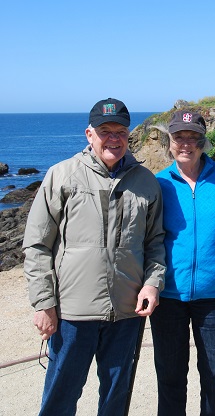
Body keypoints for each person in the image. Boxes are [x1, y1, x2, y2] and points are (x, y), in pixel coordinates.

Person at [23, 98, 166, 416]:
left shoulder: (146, 182)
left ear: (129, 136)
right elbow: (36, 246)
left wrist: (153, 284)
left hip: (127, 312)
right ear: (89, 134)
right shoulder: (62, 176)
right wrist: (44, 303)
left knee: (116, 398)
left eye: (121, 131)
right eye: (105, 131)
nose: (114, 138)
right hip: (72, 313)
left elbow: (156, 242)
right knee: (61, 395)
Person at [150, 110, 215, 416]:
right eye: (179, 137)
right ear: (169, 142)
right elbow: (146, 240)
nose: (186, 144)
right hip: (169, 295)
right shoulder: (158, 184)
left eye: (193, 137)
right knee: (170, 376)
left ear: (202, 141)